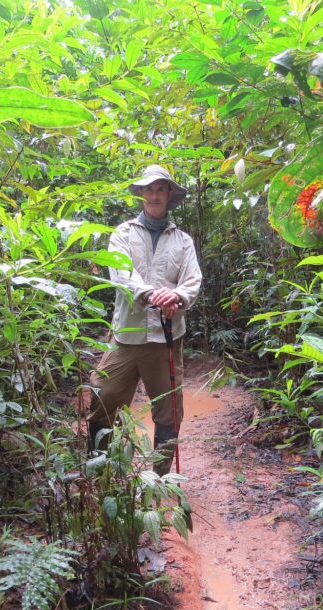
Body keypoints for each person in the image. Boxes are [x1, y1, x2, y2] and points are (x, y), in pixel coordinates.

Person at [87, 165, 203, 475]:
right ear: (140, 193)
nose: (154, 195)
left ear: (169, 194)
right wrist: (154, 295)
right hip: (126, 335)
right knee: (103, 395)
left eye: (160, 188)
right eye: (149, 189)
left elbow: (192, 280)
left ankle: (159, 477)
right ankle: (98, 470)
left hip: (166, 338)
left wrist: (176, 296)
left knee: (169, 409)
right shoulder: (123, 233)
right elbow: (122, 275)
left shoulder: (183, 241)